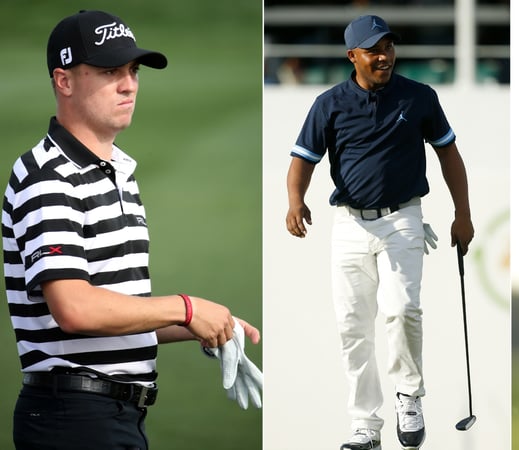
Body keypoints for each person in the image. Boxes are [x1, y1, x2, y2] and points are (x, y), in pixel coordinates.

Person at [2, 10, 262, 450]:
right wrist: (186, 308)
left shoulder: (117, 171)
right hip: (72, 419)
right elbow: (76, 309)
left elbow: (114, 313)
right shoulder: (48, 175)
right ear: (64, 81)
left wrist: (204, 325)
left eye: (133, 70)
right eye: (109, 71)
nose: (129, 84)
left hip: (112, 418)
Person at [285, 14, 474, 450]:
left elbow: (450, 156)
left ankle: (409, 396)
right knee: (353, 326)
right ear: (353, 56)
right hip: (349, 224)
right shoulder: (329, 103)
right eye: (374, 50)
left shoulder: (420, 97)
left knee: (403, 308)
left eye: (388, 47)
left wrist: (462, 213)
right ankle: (365, 425)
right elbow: (302, 161)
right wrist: (296, 201)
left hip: (403, 219)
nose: (384, 56)